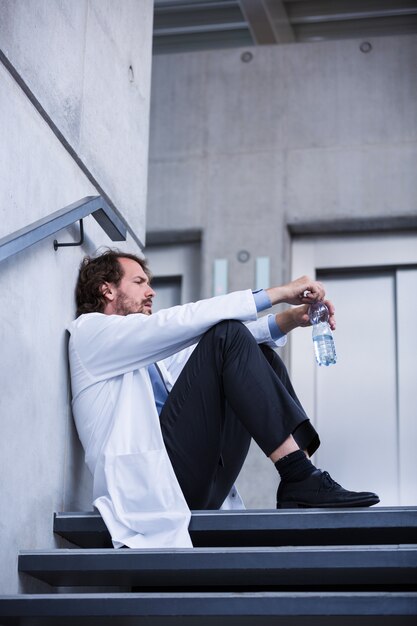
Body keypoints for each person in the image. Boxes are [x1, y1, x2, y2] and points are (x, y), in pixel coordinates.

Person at [67, 249, 379, 549]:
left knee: (256, 352)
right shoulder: (91, 334)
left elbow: (231, 340)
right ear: (106, 290)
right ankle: (299, 476)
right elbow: (183, 322)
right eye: (139, 282)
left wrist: (292, 318)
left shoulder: (152, 357)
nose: (151, 292)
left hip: (192, 482)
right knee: (227, 336)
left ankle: (305, 476)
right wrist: (281, 292)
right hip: (150, 490)